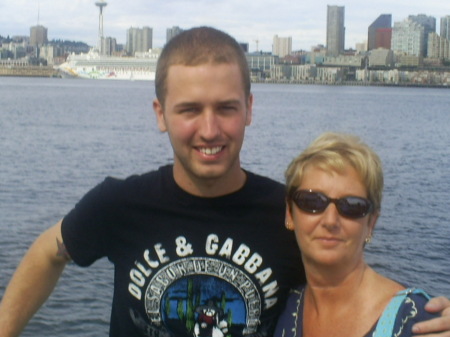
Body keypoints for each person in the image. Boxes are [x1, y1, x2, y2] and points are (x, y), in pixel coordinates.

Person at [0, 27, 449, 337]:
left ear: (249, 109)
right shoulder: (120, 203)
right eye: (189, 109)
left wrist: (418, 312)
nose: (210, 130)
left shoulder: (293, 211)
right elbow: (50, 250)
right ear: (161, 115)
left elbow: (347, 280)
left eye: (227, 108)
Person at [275, 132, 442, 337]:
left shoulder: (418, 321)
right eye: (312, 202)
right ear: (290, 213)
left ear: (371, 223)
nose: (330, 221)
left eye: (352, 206)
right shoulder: (287, 305)